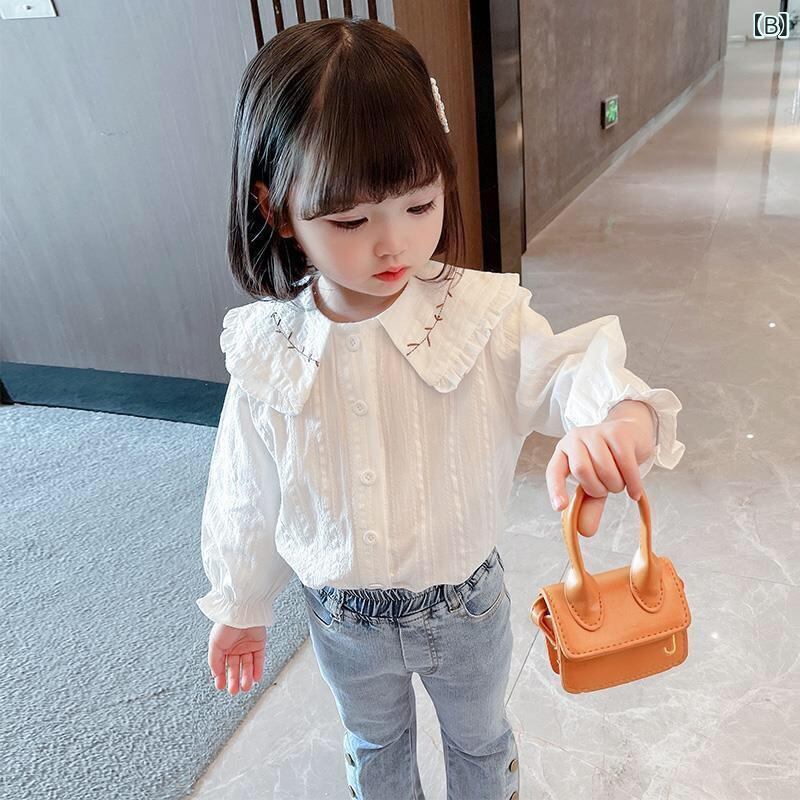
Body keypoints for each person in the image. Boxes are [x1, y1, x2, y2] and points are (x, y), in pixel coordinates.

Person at [195, 17, 685, 800]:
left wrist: (619, 418)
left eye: (420, 204)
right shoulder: (268, 349)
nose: (393, 244)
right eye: (350, 221)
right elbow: (245, 489)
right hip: (342, 620)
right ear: (276, 207)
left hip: (465, 610)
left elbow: (567, 372)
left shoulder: (479, 318)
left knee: (480, 741)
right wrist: (241, 602)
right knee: (374, 746)